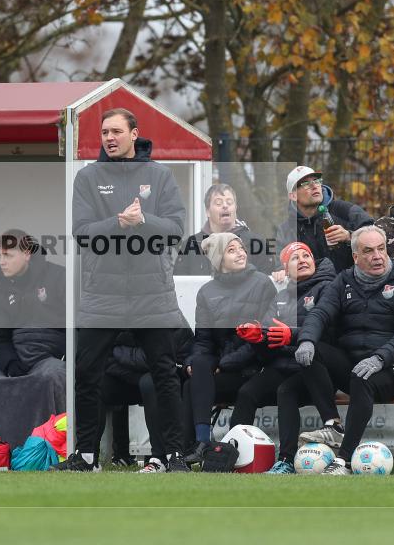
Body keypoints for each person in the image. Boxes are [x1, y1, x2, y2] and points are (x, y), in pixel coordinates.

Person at [55, 107, 190, 472]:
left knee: (165, 373)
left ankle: (171, 455)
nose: (109, 138)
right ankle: (85, 456)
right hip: (102, 294)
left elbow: (176, 228)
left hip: (153, 294)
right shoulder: (88, 178)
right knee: (86, 373)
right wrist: (118, 222)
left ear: (135, 134)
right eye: (104, 133)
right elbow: (81, 232)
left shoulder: (159, 175)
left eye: (116, 131)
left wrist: (143, 220)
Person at [294, 225, 394, 475]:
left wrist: (380, 357)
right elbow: (320, 312)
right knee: (310, 351)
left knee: (362, 377)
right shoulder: (344, 281)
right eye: (369, 251)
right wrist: (306, 339)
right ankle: (333, 425)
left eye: (381, 249)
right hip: (355, 366)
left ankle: (344, 461)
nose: (377, 256)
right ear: (355, 257)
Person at [238, 242, 337, 474]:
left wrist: (290, 337)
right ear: (285, 267)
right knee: (246, 392)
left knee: (285, 391)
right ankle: (235, 455)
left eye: (307, 255)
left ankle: (286, 459)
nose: (302, 260)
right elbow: (270, 342)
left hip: (316, 369)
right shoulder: (281, 296)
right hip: (283, 364)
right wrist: (257, 338)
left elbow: (328, 333)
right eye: (295, 258)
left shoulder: (328, 288)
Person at [0, 230, 66, 447]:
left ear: (27, 253)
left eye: (8, 255)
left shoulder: (58, 277)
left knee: (53, 376)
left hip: (51, 355)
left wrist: (63, 354)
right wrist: (10, 364)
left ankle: (50, 449)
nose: (2, 262)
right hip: (15, 355)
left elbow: (75, 324)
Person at [181, 232, 277, 464]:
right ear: (218, 259)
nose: (241, 253)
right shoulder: (207, 292)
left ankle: (201, 446)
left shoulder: (262, 283)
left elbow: (264, 333)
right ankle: (193, 447)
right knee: (194, 372)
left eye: (241, 248)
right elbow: (203, 340)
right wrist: (192, 363)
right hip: (221, 372)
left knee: (196, 381)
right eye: (231, 250)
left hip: (253, 369)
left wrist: (223, 365)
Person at [96, 325, 193, 473]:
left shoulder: (168, 319)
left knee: (152, 383)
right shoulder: (119, 317)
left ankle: (162, 457)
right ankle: (91, 456)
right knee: (99, 383)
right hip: (128, 373)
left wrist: (119, 353)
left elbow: (160, 361)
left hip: (167, 379)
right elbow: (105, 357)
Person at [276, 166, 373, 275]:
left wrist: (349, 236)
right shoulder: (286, 230)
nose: (314, 186)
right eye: (306, 184)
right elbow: (280, 264)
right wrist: (281, 272)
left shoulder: (344, 210)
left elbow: (376, 235)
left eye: (316, 181)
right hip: (310, 289)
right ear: (293, 196)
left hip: (351, 285)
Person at [175, 183, 274, 275]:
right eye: (218, 203)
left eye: (229, 202)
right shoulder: (191, 244)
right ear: (208, 211)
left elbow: (268, 281)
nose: (225, 206)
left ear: (235, 208)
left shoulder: (256, 242)